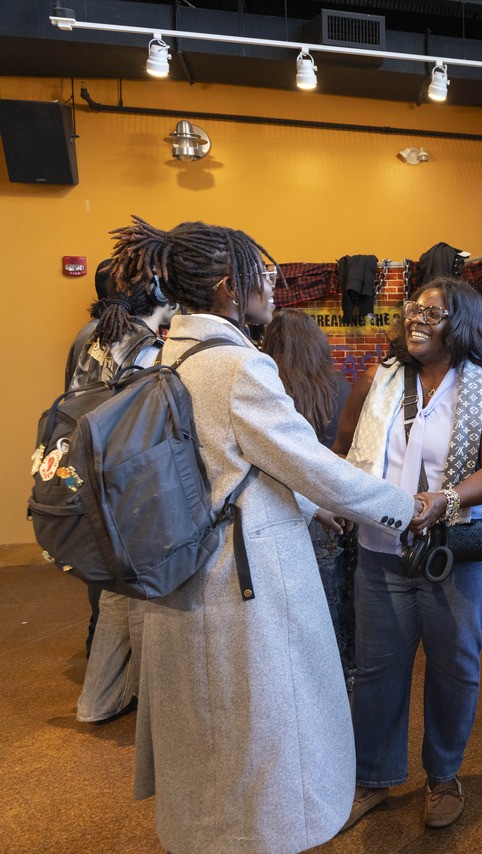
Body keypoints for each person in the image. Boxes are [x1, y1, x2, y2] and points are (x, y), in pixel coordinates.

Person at [110, 215, 428, 854]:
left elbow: (237, 466)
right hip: (243, 580)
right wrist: (402, 507)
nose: (276, 284)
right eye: (265, 274)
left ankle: (200, 833)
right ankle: (266, 835)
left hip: (182, 566)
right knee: (263, 724)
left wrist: (316, 510)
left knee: (203, 724)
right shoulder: (238, 367)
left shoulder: (165, 352)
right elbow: (308, 464)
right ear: (229, 286)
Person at [335, 275, 482, 832]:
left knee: (453, 666)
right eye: (412, 310)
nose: (415, 319)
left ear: (461, 323)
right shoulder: (378, 380)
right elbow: (344, 448)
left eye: (432, 313)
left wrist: (444, 500)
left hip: (458, 555)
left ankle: (443, 775)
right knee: (377, 669)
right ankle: (372, 776)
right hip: (381, 550)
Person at [67, 256, 177, 724]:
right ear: (155, 293)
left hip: (85, 475)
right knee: (141, 594)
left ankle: (98, 702)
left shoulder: (87, 334)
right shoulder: (149, 348)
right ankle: (154, 714)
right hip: (127, 485)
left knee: (114, 593)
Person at [261, 309, 356, 686]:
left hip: (285, 508)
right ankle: (344, 671)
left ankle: (303, 674)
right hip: (335, 506)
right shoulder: (341, 388)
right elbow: (350, 455)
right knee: (339, 593)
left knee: (293, 602)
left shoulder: (269, 389)